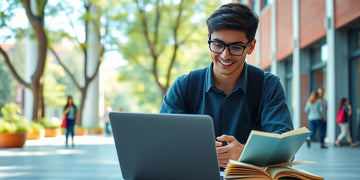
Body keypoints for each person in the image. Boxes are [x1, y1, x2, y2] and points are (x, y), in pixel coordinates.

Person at [160, 3, 293, 168]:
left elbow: (285, 149)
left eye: (236, 47)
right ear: (209, 39)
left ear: (250, 47)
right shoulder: (184, 86)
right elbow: (163, 142)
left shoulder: (268, 86)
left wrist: (245, 153)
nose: (225, 55)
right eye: (218, 45)